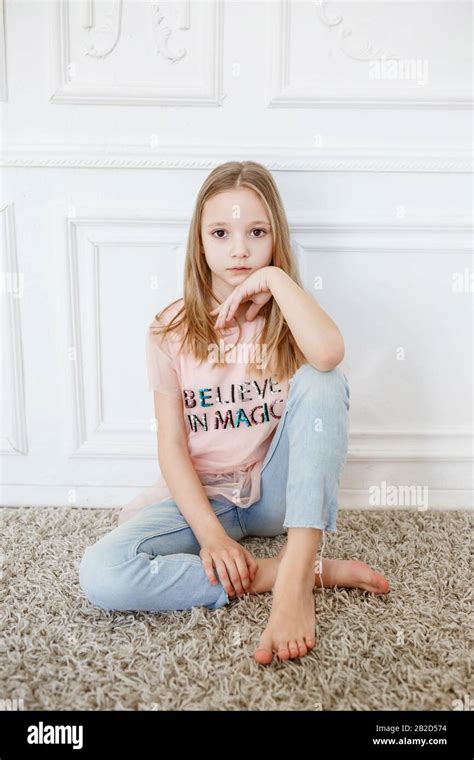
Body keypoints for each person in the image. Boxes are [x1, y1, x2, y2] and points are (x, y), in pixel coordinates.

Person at [79, 160, 389, 665]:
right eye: (221, 232)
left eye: (257, 233)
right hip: (210, 498)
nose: (239, 249)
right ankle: (298, 571)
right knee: (103, 572)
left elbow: (329, 355)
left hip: (275, 495)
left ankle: (294, 578)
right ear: (199, 242)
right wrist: (211, 538)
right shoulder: (169, 330)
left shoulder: (287, 316)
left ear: (275, 238)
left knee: (322, 378)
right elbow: (172, 445)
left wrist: (273, 280)